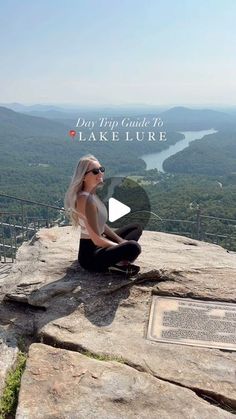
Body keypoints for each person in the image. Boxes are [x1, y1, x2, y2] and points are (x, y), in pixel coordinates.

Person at [64, 154, 142, 276]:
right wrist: (120, 246)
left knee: (136, 228)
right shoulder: (85, 200)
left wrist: (120, 241)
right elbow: (96, 240)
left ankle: (117, 261)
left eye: (101, 169)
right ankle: (114, 265)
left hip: (100, 245)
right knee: (134, 247)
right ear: (83, 177)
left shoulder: (92, 194)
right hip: (91, 257)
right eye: (95, 171)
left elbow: (102, 225)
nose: (100, 173)